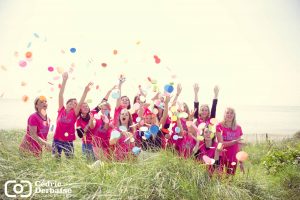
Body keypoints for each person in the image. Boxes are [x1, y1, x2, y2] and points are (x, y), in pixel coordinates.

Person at [52, 72, 92, 159]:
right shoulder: (61, 110)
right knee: (55, 161)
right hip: (57, 140)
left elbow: (81, 101)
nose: (73, 103)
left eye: (75, 103)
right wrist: (64, 80)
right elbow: (60, 95)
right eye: (71, 102)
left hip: (68, 142)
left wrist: (85, 90)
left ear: (76, 106)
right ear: (66, 104)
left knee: (70, 161)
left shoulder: (74, 114)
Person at [216, 107, 244, 175]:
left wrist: (241, 162)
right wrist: (234, 142)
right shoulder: (219, 126)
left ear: (234, 115)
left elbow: (239, 147)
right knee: (219, 178)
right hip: (221, 155)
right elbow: (221, 144)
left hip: (233, 156)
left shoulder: (238, 128)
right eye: (227, 113)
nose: (229, 115)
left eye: (231, 113)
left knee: (230, 179)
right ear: (224, 114)